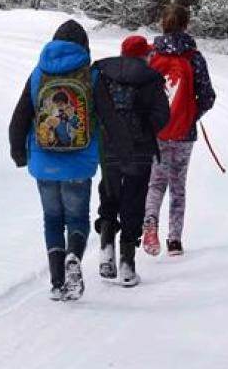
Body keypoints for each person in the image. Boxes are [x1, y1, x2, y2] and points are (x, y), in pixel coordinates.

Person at [8, 20, 140, 301]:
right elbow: (110, 119)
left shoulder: (37, 75)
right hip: (79, 164)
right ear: (84, 47)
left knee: (52, 219)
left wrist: (19, 153)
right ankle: (74, 258)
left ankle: (57, 283)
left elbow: (19, 118)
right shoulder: (91, 77)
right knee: (77, 218)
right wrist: (126, 153)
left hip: (44, 163)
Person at [93, 35, 171, 286]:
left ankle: (106, 247)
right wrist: (146, 128)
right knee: (134, 199)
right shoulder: (151, 78)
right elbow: (162, 115)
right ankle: (127, 265)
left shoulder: (103, 71)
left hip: (110, 144)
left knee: (110, 192)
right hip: (139, 149)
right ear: (143, 55)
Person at [142, 4, 216, 257]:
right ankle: (174, 240)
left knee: (155, 182)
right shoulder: (194, 57)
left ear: (162, 24)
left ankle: (150, 222)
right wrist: (191, 114)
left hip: (156, 131)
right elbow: (208, 95)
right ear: (186, 24)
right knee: (178, 185)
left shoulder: (152, 56)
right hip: (184, 133)